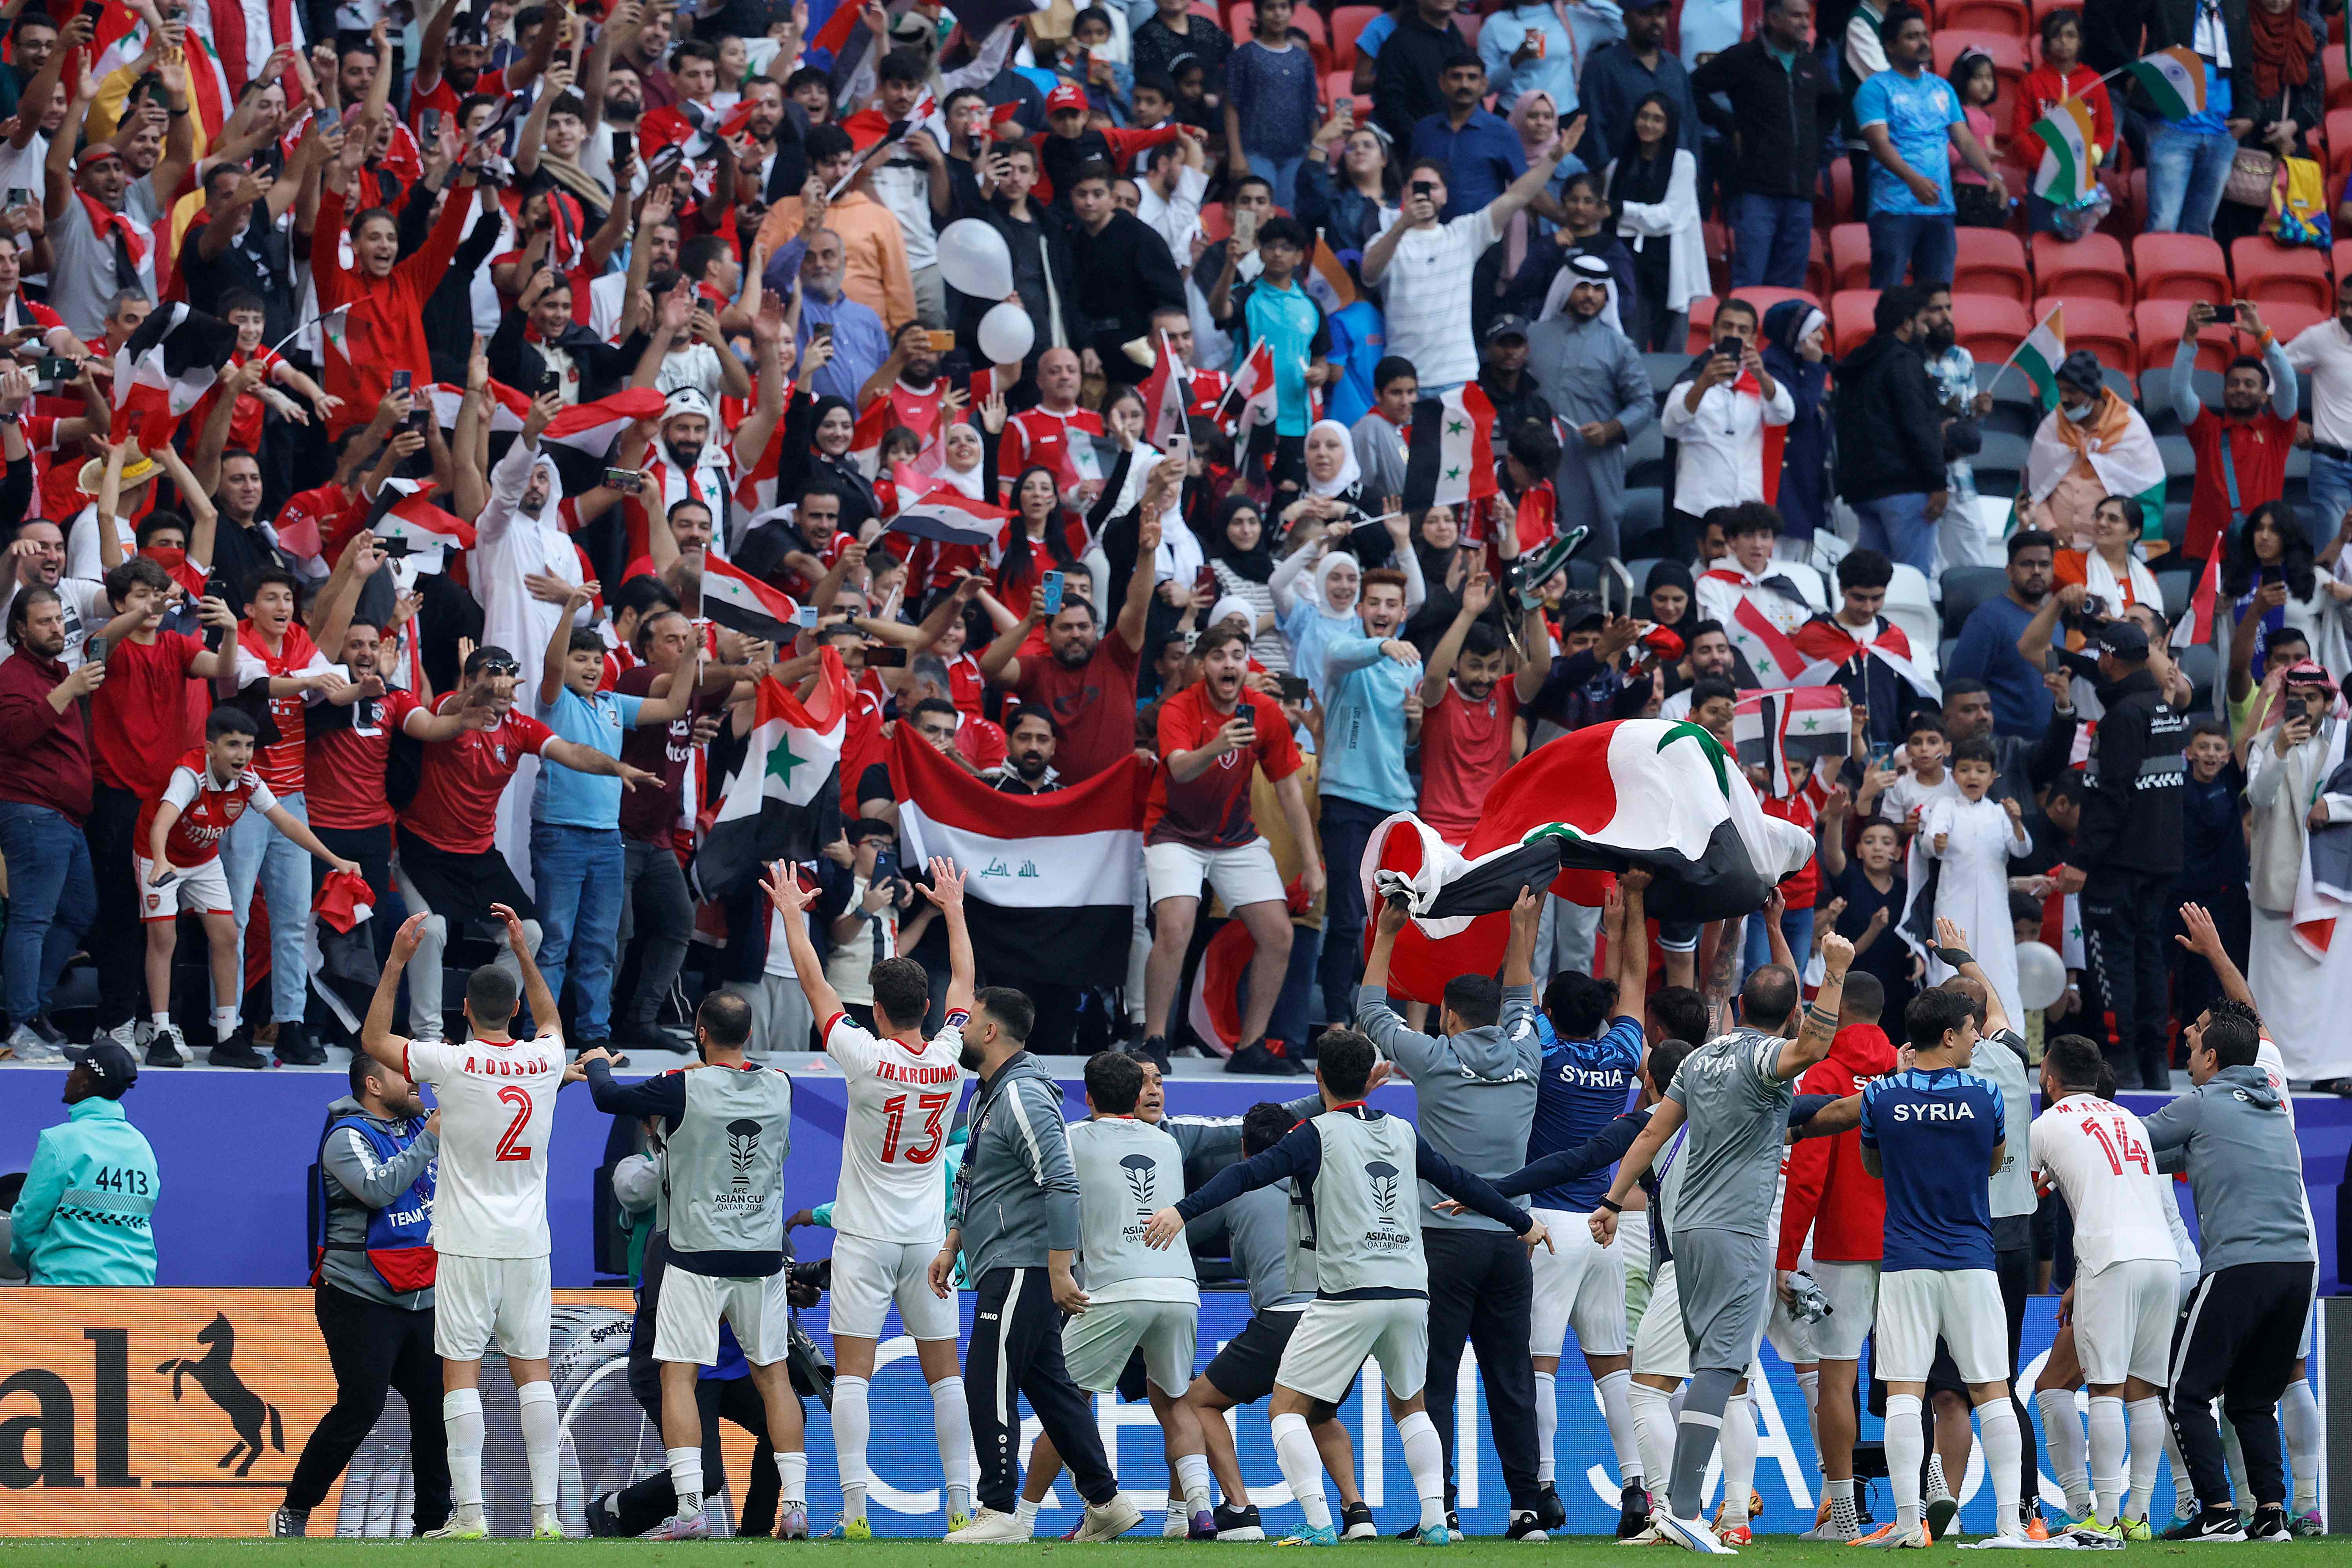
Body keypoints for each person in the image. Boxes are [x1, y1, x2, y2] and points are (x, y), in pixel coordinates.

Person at [1142, 1020, 1549, 1547]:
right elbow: (1464, 1183)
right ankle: (1435, 1520)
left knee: (1285, 1408)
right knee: (1411, 1407)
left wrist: (1182, 1209)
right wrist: (1522, 1221)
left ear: (1319, 1078)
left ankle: (1317, 1523)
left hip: (1349, 1293)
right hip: (1411, 1292)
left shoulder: (1315, 1134)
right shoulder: (1403, 1132)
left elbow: (1245, 1175)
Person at [1589, 936, 1853, 1553]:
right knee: (1721, 1370)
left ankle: (1696, 1510)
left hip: (1685, 1234)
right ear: (1791, 1015)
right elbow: (1814, 1048)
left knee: (1715, 1368)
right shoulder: (1768, 1057)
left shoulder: (1699, 1059)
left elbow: (1652, 1133)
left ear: (1737, 1005)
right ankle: (1685, 1511)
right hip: (1737, 1234)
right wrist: (1835, 971)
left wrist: (1612, 1201)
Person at [762, 856, 976, 1535]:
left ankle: (855, 1512)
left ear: (878, 1011)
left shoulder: (864, 1055)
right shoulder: (950, 1058)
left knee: (852, 1376)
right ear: (928, 1008)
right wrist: (954, 910)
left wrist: (792, 915)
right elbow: (966, 983)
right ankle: (962, 1508)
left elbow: (814, 983)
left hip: (864, 1238)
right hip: (928, 1241)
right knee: (946, 1377)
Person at [359, 903, 569, 1541]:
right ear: (516, 1010)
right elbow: (553, 1021)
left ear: (465, 1012)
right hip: (528, 1241)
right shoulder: (547, 1059)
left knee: (461, 1372)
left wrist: (396, 963)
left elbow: (374, 1042)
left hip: (466, 1242)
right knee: (533, 1371)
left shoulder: (451, 1062)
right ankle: (547, 1516)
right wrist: (525, 953)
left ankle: (472, 1515)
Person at [579, 993, 810, 1541]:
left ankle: (689, 1512)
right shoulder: (781, 1085)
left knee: (678, 1374)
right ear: (749, 1035)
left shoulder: (682, 1087)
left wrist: (596, 1063)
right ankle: (796, 1508)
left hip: (696, 1257)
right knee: (775, 1378)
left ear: (700, 1033)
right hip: (760, 1258)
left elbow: (608, 1097)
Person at [1354, 888, 1547, 1537]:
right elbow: (1521, 1000)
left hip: (1443, 1242)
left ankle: (1444, 1513)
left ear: (1448, 1016)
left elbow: (1371, 1012)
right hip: (1512, 1242)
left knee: (1434, 1380)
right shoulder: (1528, 1052)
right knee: (1511, 1378)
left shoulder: (1434, 1059)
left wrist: (1387, 934)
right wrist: (1519, 930)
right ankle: (1527, 1511)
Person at [922, 985, 1141, 1544]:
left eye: (968, 1022)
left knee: (987, 1381)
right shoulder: (988, 1093)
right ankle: (1106, 1501)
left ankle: (999, 1511)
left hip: (1023, 1263)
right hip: (1007, 1260)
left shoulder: (1022, 1095)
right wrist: (953, 1241)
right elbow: (975, 1177)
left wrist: (1060, 1268)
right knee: (1051, 1389)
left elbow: (1061, 1182)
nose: (960, 1031)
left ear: (990, 1031)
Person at [1852, 978, 2035, 1548]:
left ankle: (1910, 1524)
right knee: (1992, 1389)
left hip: (1905, 1261)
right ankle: (2009, 1526)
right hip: (1971, 1259)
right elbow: (1994, 1163)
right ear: (1950, 1035)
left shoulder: (1880, 1096)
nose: (1978, 1038)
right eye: (1973, 1030)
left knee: (1905, 1393)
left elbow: (1874, 1166)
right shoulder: (1986, 1096)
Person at [1010, 1051, 1207, 1534]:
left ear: (1088, 1097)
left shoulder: (1071, 1140)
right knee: (1176, 1402)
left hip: (1115, 1288)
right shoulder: (1169, 1143)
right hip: (1180, 1288)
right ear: (1136, 1096)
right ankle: (1191, 1514)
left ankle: (1024, 1519)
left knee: (1066, 1404)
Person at [2142, 1007, 2317, 1543]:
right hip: (2298, 1269)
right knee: (2252, 1400)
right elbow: (2184, 1153)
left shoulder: (2203, 1101)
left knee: (2184, 1391)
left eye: (2196, 1049)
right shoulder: (2274, 1107)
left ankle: (2218, 1512)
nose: (2189, 1057)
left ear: (2212, 1057)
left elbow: (2133, 1138)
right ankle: (2272, 1514)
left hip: (2242, 1264)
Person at [1522, 876, 1653, 1535]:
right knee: (1612, 1367)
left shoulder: (1542, 1050)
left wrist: (1527, 921)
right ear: (1601, 1014)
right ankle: (1637, 1489)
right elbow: (1635, 979)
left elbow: (1519, 987)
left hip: (1548, 1224)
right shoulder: (1622, 1051)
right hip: (1606, 1228)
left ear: (1548, 1014)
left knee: (1540, 1366)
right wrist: (1628, 914)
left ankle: (1545, 1487)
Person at [274, 1057, 447, 1538]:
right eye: (401, 1073)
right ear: (373, 1084)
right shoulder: (346, 1136)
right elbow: (378, 1190)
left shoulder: (418, 1123)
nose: (414, 1080)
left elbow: (491, 1108)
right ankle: (295, 1509)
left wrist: (554, 1079)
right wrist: (432, 1138)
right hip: (358, 1296)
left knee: (436, 1408)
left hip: (422, 1295)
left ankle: (432, 1525)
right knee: (361, 1407)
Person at [1139, 622, 1324, 1069]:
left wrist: (1311, 860)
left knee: (1279, 935)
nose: (1229, 665)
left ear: (1246, 665)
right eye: (1219, 656)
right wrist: (1217, 745)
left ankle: (1250, 1047)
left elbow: (1288, 790)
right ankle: (1154, 1040)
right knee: (1176, 928)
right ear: (1203, 665)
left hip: (1235, 837)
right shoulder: (1179, 707)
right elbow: (1180, 769)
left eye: (1238, 656)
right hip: (1175, 832)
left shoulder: (1265, 711)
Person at [140, 709, 364, 1068]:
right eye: (233, 745)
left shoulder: (248, 779)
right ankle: (161, 1033)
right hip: (159, 856)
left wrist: (335, 860)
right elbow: (161, 822)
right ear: (210, 748)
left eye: (248, 746)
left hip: (202, 859)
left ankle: (227, 1037)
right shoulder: (189, 775)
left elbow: (287, 823)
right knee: (164, 938)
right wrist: (160, 860)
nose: (242, 755)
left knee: (228, 936)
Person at [2026, 1032, 2180, 1544]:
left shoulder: (2046, 1124)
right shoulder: (2130, 1119)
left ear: (2049, 1079)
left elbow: (2021, 1191)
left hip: (2109, 1258)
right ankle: (2137, 1513)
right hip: (2163, 1259)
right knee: (2144, 1392)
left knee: (2106, 1388)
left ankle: (2105, 1517)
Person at [2053, 618, 2189, 1087]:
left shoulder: (2123, 717)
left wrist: (2082, 860)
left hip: (2118, 865)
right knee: (2149, 958)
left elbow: (2111, 797)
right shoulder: (2164, 709)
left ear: (2109, 658)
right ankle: (2155, 1065)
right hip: (2161, 859)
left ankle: (2122, 1060)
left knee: (2113, 963)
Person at [1362, 124, 1583, 395]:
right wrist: (1402, 225)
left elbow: (1518, 196)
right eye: (1418, 187)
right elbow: (1369, 275)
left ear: (1446, 195)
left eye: (1434, 187)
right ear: (1405, 193)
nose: (1426, 194)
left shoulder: (1463, 234)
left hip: (1457, 377)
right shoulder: (1385, 240)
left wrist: (1553, 158)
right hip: (1405, 383)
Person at [1314, 568, 1422, 1026]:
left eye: (1390, 604)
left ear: (1403, 612)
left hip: (1397, 805)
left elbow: (1404, 744)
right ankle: (1336, 1022)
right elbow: (1337, 655)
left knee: (1393, 919)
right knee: (1346, 917)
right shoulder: (1347, 651)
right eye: (1373, 602)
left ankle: (1377, 1022)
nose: (1381, 611)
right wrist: (1382, 646)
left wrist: (1416, 724)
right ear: (1360, 609)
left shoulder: (1412, 663)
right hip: (1346, 799)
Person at [0, 586, 100, 1061]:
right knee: (32, 918)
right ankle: (22, 1021)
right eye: (44, 621)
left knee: (79, 909)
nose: (57, 628)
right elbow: (14, 735)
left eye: (59, 619)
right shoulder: (12, 675)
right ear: (20, 629)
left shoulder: (57, 672)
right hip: (33, 811)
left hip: (65, 816)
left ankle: (32, 1010)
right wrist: (67, 692)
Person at [1855, 5, 2007, 289]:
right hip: (1894, 209)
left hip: (1940, 210)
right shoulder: (1875, 89)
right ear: (1890, 45)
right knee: (1889, 295)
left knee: (1937, 298)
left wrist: (1991, 175)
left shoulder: (1943, 89)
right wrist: (1913, 180)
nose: (1923, 42)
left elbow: (1964, 140)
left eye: (1925, 35)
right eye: (1912, 37)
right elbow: (1879, 144)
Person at [1694, 0, 1841, 288]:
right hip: (1755, 193)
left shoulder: (1809, 63)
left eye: (1807, 16)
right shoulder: (1743, 58)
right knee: (1750, 284)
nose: (1804, 23)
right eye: (1796, 16)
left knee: (1790, 289)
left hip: (1800, 195)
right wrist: (1729, 126)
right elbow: (1694, 87)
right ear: (1773, 19)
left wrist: (1812, 141)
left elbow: (1833, 104)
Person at [1526, 254, 1653, 561]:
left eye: (1598, 289)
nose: (1590, 296)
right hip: (1536, 461)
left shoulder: (1620, 347)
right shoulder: (1532, 336)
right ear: (1566, 288)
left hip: (1593, 460)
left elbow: (1644, 403)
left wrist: (1612, 429)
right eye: (1582, 286)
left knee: (1596, 545)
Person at [8, 1039, 155, 1285]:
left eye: (76, 1069)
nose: (69, 1074)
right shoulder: (143, 1146)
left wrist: (30, 1263)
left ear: (85, 1084)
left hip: (66, 1289)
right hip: (135, 1291)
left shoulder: (59, 1141)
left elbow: (28, 1222)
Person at [1659, 298, 1792, 559]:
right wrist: (1705, 383)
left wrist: (1761, 375)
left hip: (1746, 510)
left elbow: (1785, 413)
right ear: (1713, 332)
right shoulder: (1691, 381)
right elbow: (1671, 426)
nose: (1734, 335)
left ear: (1753, 338)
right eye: (1727, 327)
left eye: (1743, 330)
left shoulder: (1759, 384)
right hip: (1698, 510)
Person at [1832, 285, 1951, 575]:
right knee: (1913, 579)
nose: (1926, 330)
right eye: (1922, 321)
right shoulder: (1904, 361)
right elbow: (1918, 426)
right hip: (1904, 489)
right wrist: (1938, 483)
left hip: (1863, 490)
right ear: (1907, 324)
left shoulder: (1856, 363)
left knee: (1873, 580)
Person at [2023, 353, 2165, 550]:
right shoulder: (2053, 425)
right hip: (2054, 550)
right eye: (2060, 390)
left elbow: (2146, 501)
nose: (2064, 399)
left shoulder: (2130, 430)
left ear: (2093, 392)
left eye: (2072, 391)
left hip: (2111, 553)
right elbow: (2036, 490)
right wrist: (2051, 529)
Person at [1604, 95, 1702, 353]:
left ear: (1669, 126)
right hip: (1627, 262)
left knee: (1670, 345)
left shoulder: (1683, 162)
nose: (1648, 124)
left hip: (1668, 262)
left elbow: (1669, 216)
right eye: (1644, 116)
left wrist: (1622, 210)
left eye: (1658, 119)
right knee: (1629, 341)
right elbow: (1606, 214)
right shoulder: (1617, 166)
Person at [1947, 530, 2059, 739]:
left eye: (2044, 565)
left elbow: (2054, 683)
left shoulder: (2054, 622)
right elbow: (1960, 690)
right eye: (2027, 564)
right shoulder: (1987, 620)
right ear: (2009, 571)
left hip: (2049, 746)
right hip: (2000, 749)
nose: (2037, 571)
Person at [2282, 276, 2352, 546]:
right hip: (2332, 468)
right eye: (2343, 305)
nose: (2347, 312)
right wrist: (2289, 423)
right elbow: (2268, 373)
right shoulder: (2320, 338)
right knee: (2331, 556)